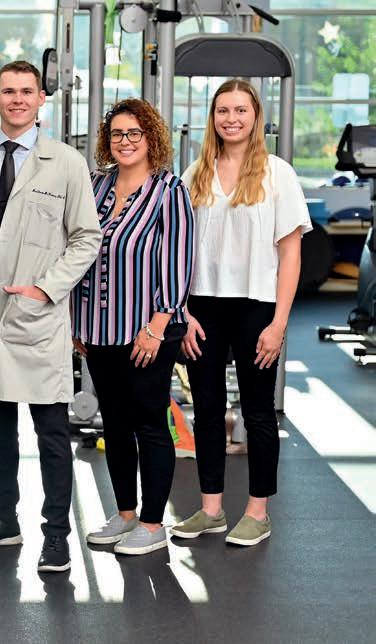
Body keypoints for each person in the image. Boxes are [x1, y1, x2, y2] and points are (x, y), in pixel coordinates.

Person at [0, 60, 102, 573]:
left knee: (51, 432)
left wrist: (46, 288)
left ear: (42, 98)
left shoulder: (65, 162)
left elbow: (87, 236)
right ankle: (4, 520)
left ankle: (57, 534)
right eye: (8, 91)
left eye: (27, 91)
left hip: (37, 314)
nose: (18, 99)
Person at [172, 79, 310, 547]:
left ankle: (257, 512)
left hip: (257, 306)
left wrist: (279, 323)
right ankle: (211, 509)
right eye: (223, 110)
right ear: (213, 118)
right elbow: (177, 251)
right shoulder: (195, 173)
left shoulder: (278, 174)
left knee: (258, 413)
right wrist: (183, 311)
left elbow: (291, 255)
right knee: (207, 411)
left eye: (240, 110)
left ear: (256, 118)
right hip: (202, 307)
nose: (231, 119)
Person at [74, 98, 194, 556]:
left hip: (148, 330)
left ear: (151, 138)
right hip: (98, 327)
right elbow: (79, 251)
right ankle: (125, 515)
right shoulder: (96, 185)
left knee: (149, 423)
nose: (125, 142)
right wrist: (77, 319)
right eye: (117, 134)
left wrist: (158, 325)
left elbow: (180, 261)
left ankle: (152, 523)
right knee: (116, 424)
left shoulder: (169, 190)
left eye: (134, 134)